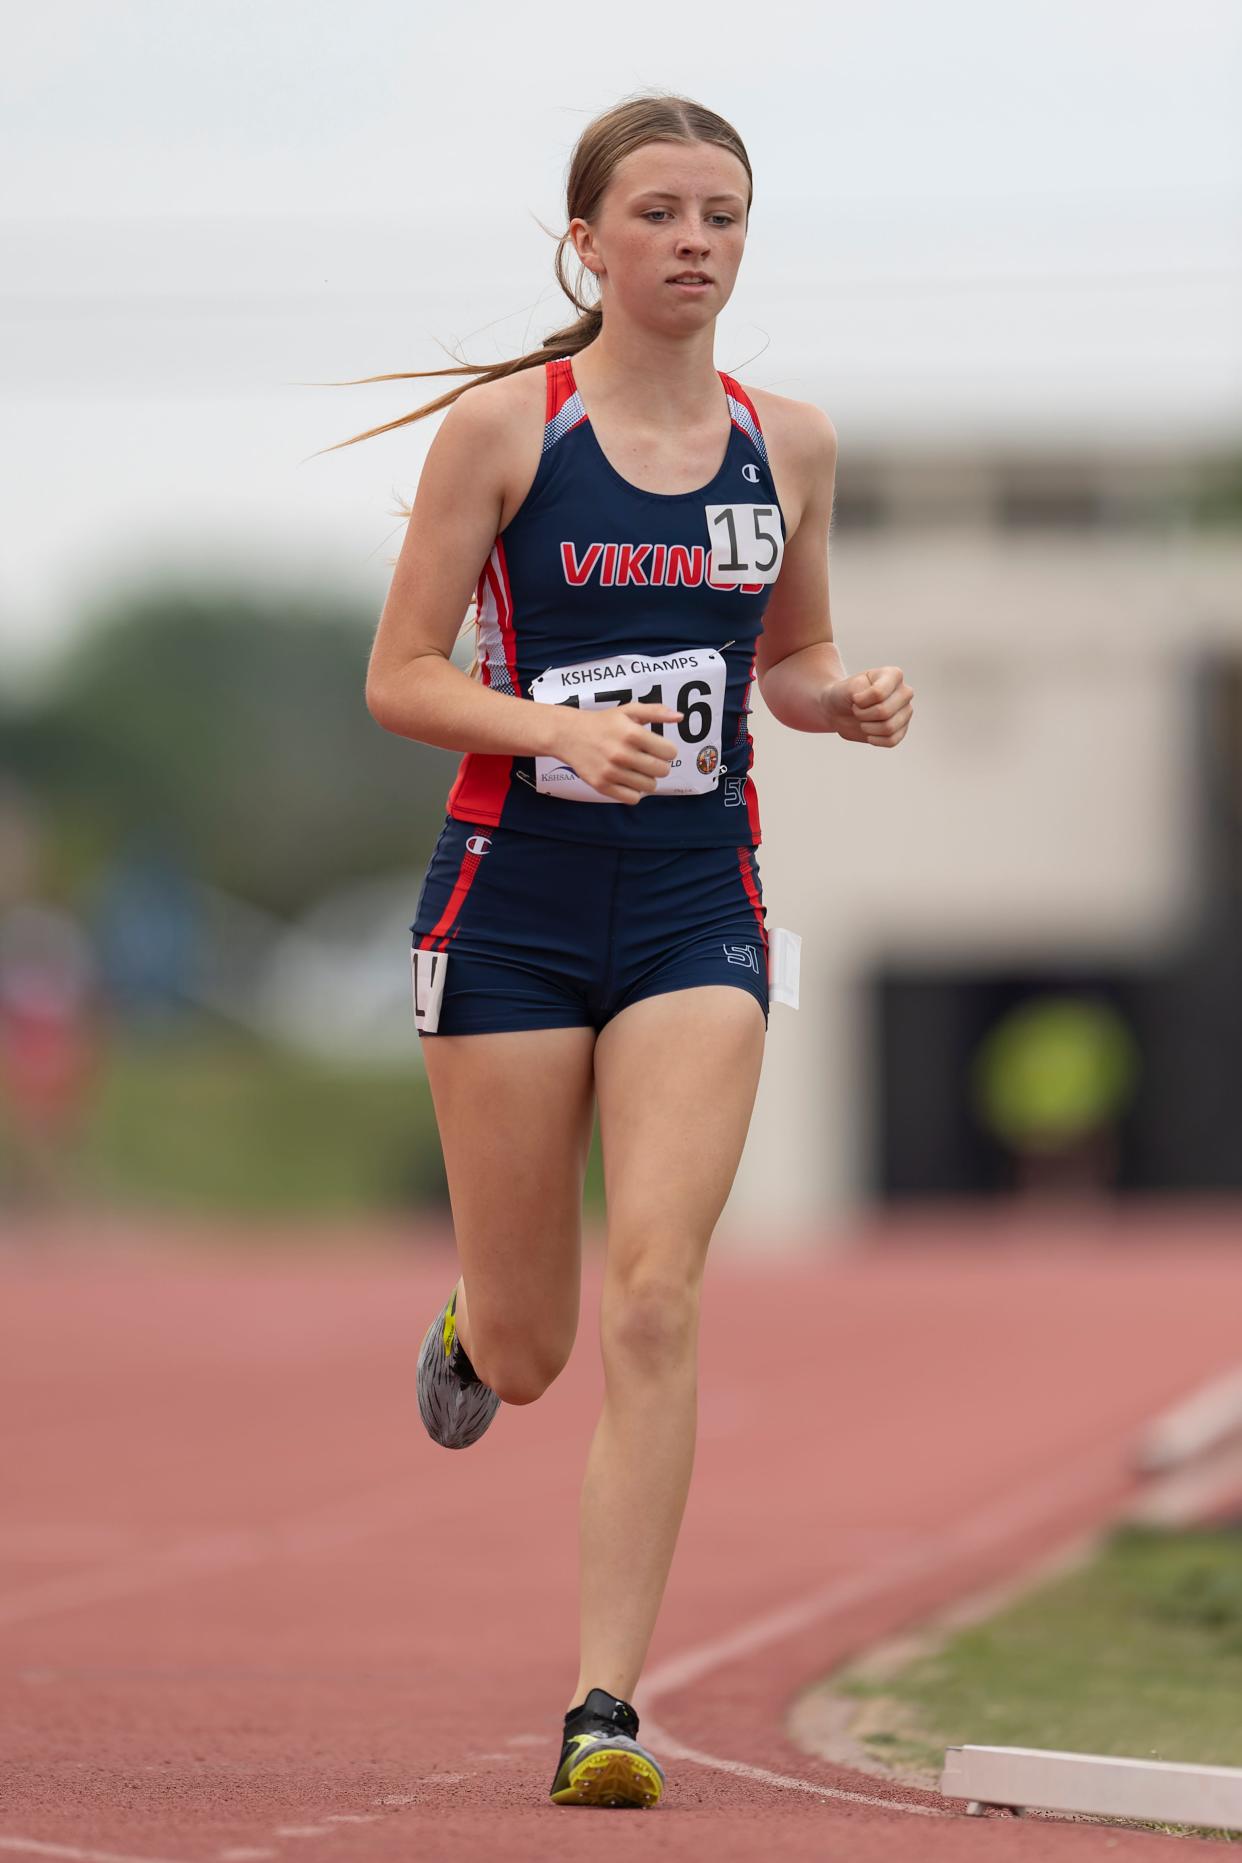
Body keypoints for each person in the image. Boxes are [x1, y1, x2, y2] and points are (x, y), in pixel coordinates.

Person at [355, 91, 913, 1810]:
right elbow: (399, 677)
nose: (694, 242)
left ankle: (605, 1706)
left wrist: (847, 699)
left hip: (693, 905)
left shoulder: (789, 444)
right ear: (585, 241)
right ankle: (478, 1325)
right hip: (507, 905)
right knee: (535, 1351)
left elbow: (791, 660)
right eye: (659, 213)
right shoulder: (504, 434)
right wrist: (543, 730)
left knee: (655, 1295)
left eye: (722, 215)